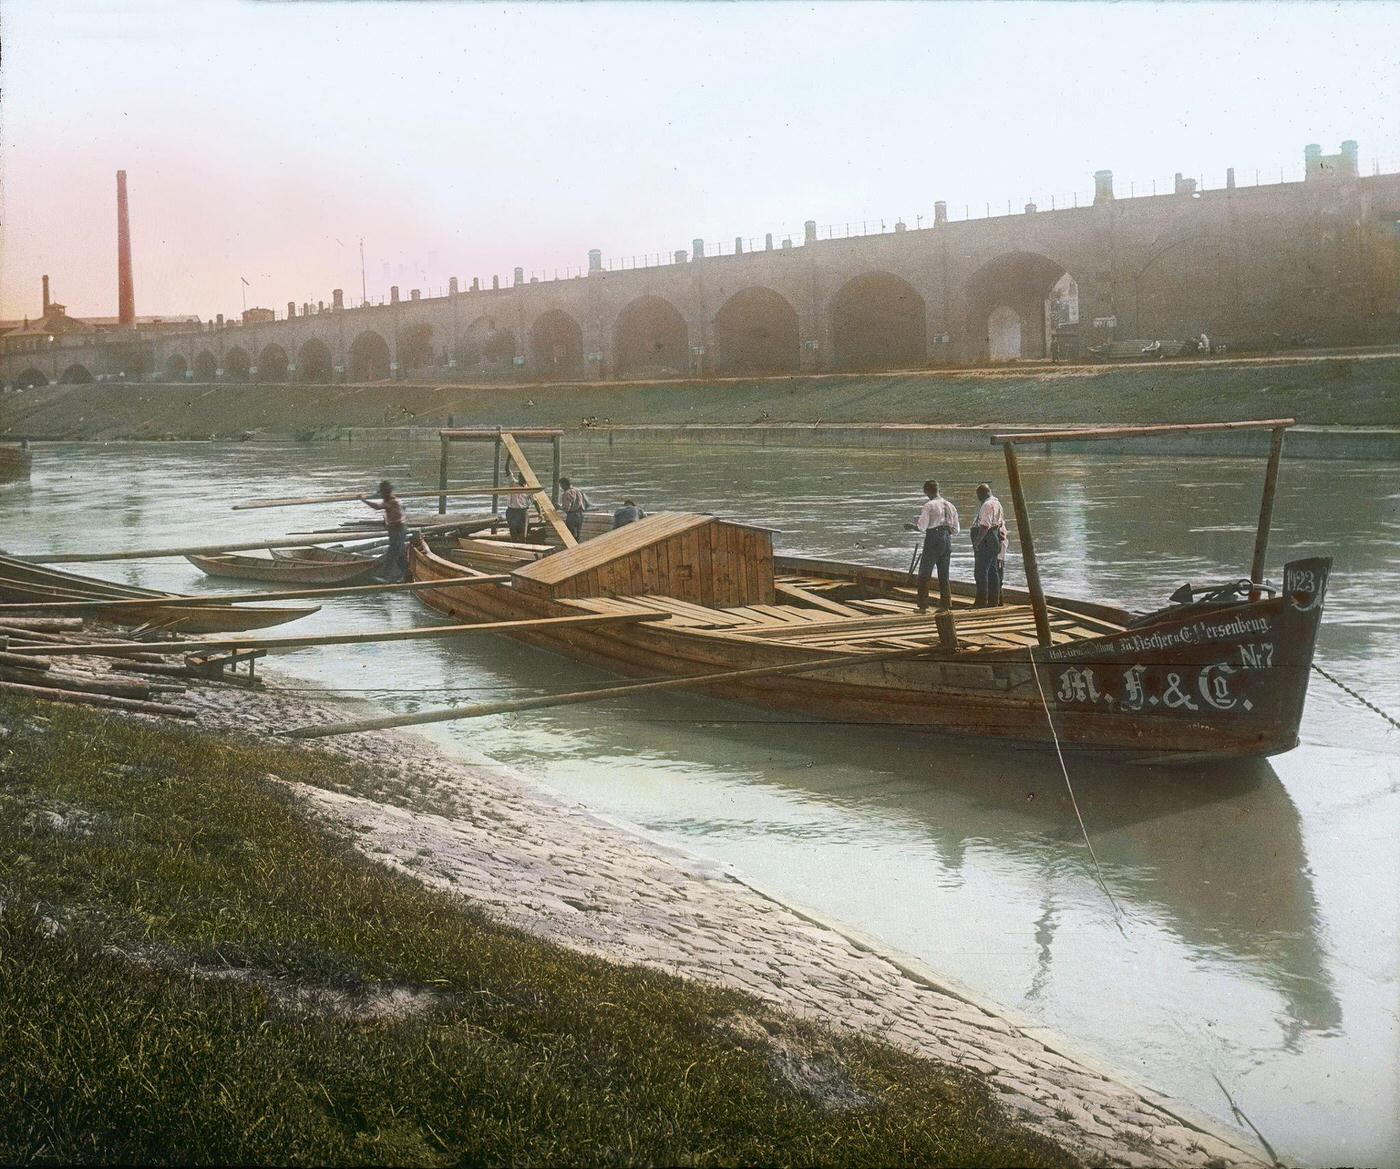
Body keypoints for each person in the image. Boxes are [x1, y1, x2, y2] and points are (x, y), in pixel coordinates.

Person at [904, 480, 959, 612]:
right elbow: (956, 529)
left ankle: (923, 606)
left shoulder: (929, 505)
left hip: (933, 538)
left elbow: (922, 527)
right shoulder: (950, 505)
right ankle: (945, 606)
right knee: (944, 574)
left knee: (924, 574)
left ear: (926, 491)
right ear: (939, 490)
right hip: (947, 538)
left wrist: (912, 527)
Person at [360, 479, 408, 582]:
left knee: (393, 552)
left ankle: (386, 576)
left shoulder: (393, 501)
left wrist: (363, 500)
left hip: (398, 529)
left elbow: (377, 506)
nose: (381, 495)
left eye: (382, 493)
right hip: (395, 529)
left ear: (386, 492)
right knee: (399, 552)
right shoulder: (392, 501)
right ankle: (404, 575)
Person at [970, 482, 1007, 607]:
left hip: (986, 539)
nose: (978, 498)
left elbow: (984, 526)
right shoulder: (997, 503)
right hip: (994, 537)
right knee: (992, 571)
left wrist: (977, 542)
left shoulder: (987, 505)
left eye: (978, 495)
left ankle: (981, 602)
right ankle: (993, 601)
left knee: (981, 572)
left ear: (982, 493)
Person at [558, 476, 591, 542]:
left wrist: (559, 507)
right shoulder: (579, 490)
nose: (561, 487)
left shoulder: (567, 493)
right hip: (581, 514)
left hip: (572, 515)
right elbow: (587, 504)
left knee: (571, 535)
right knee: (578, 534)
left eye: (561, 485)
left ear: (564, 484)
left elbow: (566, 508)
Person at [504, 471, 531, 541]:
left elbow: (535, 501)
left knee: (523, 534)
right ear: (519, 478)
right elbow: (507, 471)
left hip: (523, 512)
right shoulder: (513, 483)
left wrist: (540, 513)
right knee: (514, 534)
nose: (523, 480)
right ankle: (514, 546)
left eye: (524, 478)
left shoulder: (529, 488)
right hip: (512, 511)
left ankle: (523, 548)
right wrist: (508, 459)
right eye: (521, 477)